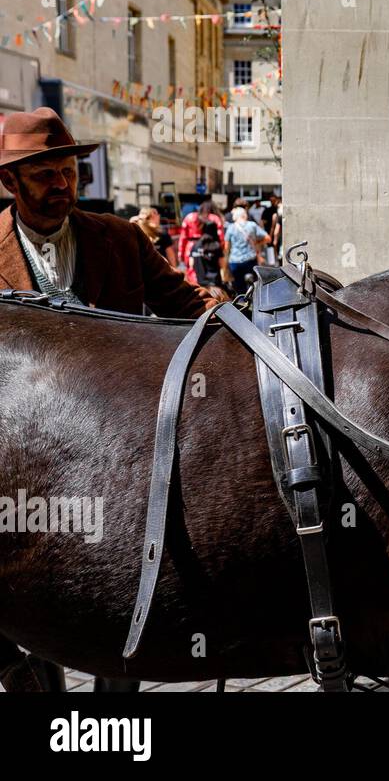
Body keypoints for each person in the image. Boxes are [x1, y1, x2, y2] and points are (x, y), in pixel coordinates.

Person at [0, 107, 226, 694]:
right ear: (9, 183)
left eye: (69, 171)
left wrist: (249, 322)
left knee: (120, 597)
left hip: (112, 460)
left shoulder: (120, 239)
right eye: (44, 174)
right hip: (17, 464)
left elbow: (186, 303)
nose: (62, 186)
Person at [224, 205, 268, 295]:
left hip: (235, 262)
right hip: (250, 260)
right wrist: (257, 243)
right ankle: (254, 299)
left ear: (234, 217)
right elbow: (267, 238)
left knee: (239, 287)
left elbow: (226, 247)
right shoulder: (252, 225)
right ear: (245, 215)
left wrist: (226, 261)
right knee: (254, 285)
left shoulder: (231, 227)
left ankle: (241, 304)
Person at [178, 200, 224, 285]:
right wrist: (220, 251)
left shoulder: (189, 217)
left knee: (192, 273)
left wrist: (180, 256)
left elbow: (183, 238)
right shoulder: (214, 218)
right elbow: (220, 237)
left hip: (191, 248)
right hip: (212, 247)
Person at [189, 219, 226, 290]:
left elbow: (191, 264)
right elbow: (222, 265)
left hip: (201, 284)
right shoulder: (216, 245)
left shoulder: (195, 245)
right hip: (215, 284)